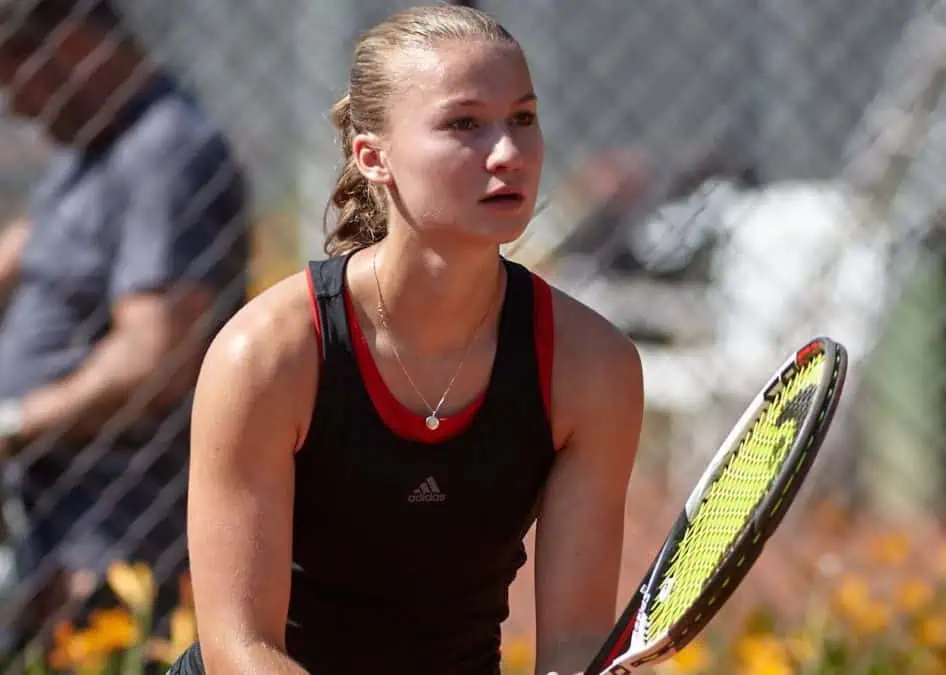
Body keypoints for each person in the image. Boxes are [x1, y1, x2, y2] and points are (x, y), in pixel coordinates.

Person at [173, 4, 644, 675]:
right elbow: (241, 650)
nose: (507, 152)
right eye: (464, 125)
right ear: (374, 157)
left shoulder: (593, 366)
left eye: (523, 118)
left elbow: (572, 643)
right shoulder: (267, 354)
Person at [0, 0, 250, 651]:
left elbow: (156, 356)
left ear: (75, 47)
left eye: (12, 77)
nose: (14, 107)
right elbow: (33, 248)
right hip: (49, 514)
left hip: (116, 532)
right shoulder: (90, 153)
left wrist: (11, 421)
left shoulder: (167, 154)